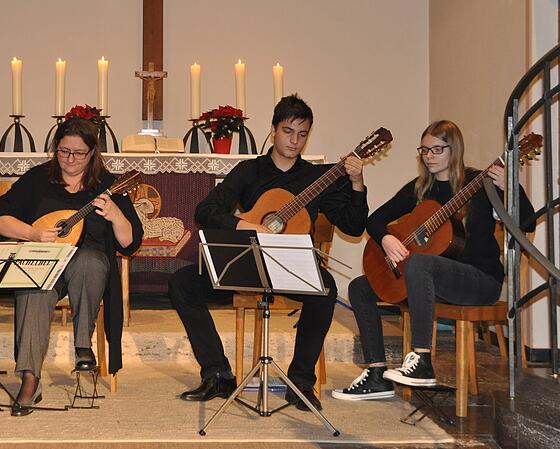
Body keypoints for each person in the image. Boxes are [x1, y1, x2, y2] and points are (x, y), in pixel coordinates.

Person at [168, 94, 368, 411]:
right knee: (182, 282)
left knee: (326, 287)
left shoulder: (317, 178)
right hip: (248, 264)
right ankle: (218, 373)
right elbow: (206, 210)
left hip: (291, 268)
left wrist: (357, 183)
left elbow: (354, 227)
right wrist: (246, 226)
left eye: (302, 134)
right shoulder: (250, 171)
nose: (295, 140)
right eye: (288, 131)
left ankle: (301, 381)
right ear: (274, 129)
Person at [332, 120, 536, 400]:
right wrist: (387, 240)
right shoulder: (420, 190)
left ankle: (422, 361)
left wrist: (511, 188)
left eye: (436, 150)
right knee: (359, 286)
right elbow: (375, 220)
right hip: (433, 281)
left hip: (479, 280)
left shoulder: (481, 183)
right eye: (424, 150)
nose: (429, 156)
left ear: (455, 150)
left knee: (419, 264)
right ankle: (377, 373)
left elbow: (527, 221)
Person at [0, 117, 143, 416]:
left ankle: (83, 347)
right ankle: (30, 378)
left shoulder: (109, 186)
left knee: (87, 261)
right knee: (35, 286)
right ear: (55, 149)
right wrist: (32, 233)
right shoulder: (38, 179)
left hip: (91, 270)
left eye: (79, 153)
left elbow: (130, 243)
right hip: (46, 263)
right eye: (63, 151)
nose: (70, 159)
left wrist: (115, 216)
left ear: (92, 153)